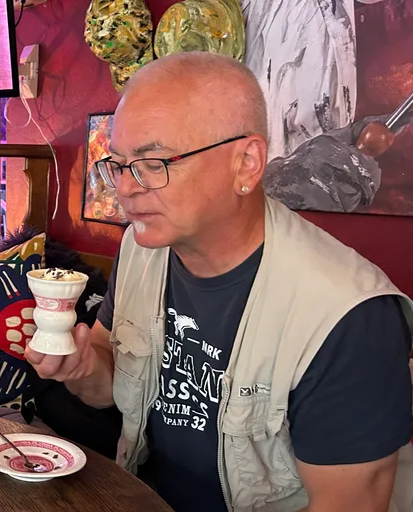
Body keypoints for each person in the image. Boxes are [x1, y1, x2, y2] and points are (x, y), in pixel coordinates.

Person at [26, 52, 413, 511]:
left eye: (154, 162)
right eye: (119, 164)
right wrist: (82, 367)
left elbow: (350, 506)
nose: (126, 188)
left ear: (247, 163)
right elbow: (112, 385)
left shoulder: (349, 317)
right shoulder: (140, 251)